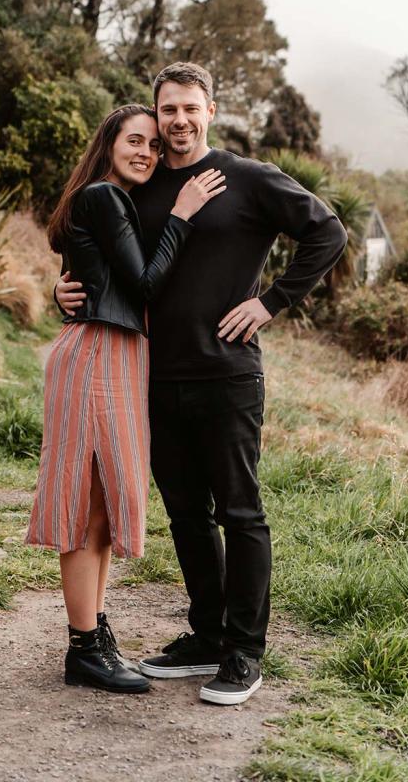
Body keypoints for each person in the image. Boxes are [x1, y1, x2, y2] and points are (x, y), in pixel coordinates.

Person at [56, 62, 348, 706]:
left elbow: (327, 232)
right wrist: (65, 291)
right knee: (187, 515)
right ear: (156, 116)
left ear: (210, 109)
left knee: (241, 514)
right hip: (150, 377)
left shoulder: (246, 179)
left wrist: (270, 302)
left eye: (190, 108)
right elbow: (106, 259)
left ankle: (244, 652)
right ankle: (207, 636)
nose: (178, 121)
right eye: (168, 111)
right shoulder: (145, 181)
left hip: (227, 375)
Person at [25, 102, 226, 695]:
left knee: (105, 514)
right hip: (96, 354)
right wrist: (184, 215)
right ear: (109, 144)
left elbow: (96, 272)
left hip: (117, 353)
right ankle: (83, 648)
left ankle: (95, 632)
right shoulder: (104, 197)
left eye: (154, 146)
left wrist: (64, 288)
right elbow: (142, 282)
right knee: (87, 507)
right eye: (135, 141)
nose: (146, 152)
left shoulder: (114, 204)